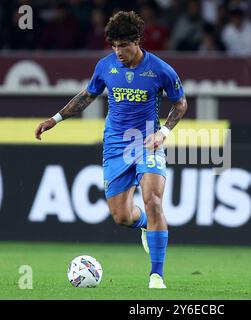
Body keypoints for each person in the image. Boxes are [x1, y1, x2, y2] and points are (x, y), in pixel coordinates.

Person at [34, 10, 187, 289]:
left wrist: (163, 132)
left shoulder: (160, 69)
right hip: (116, 145)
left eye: (123, 46)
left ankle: (156, 275)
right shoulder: (105, 67)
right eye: (114, 46)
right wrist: (54, 119)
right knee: (121, 216)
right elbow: (86, 96)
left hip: (146, 144)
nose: (118, 51)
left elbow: (180, 104)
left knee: (153, 200)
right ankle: (143, 224)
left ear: (137, 41)